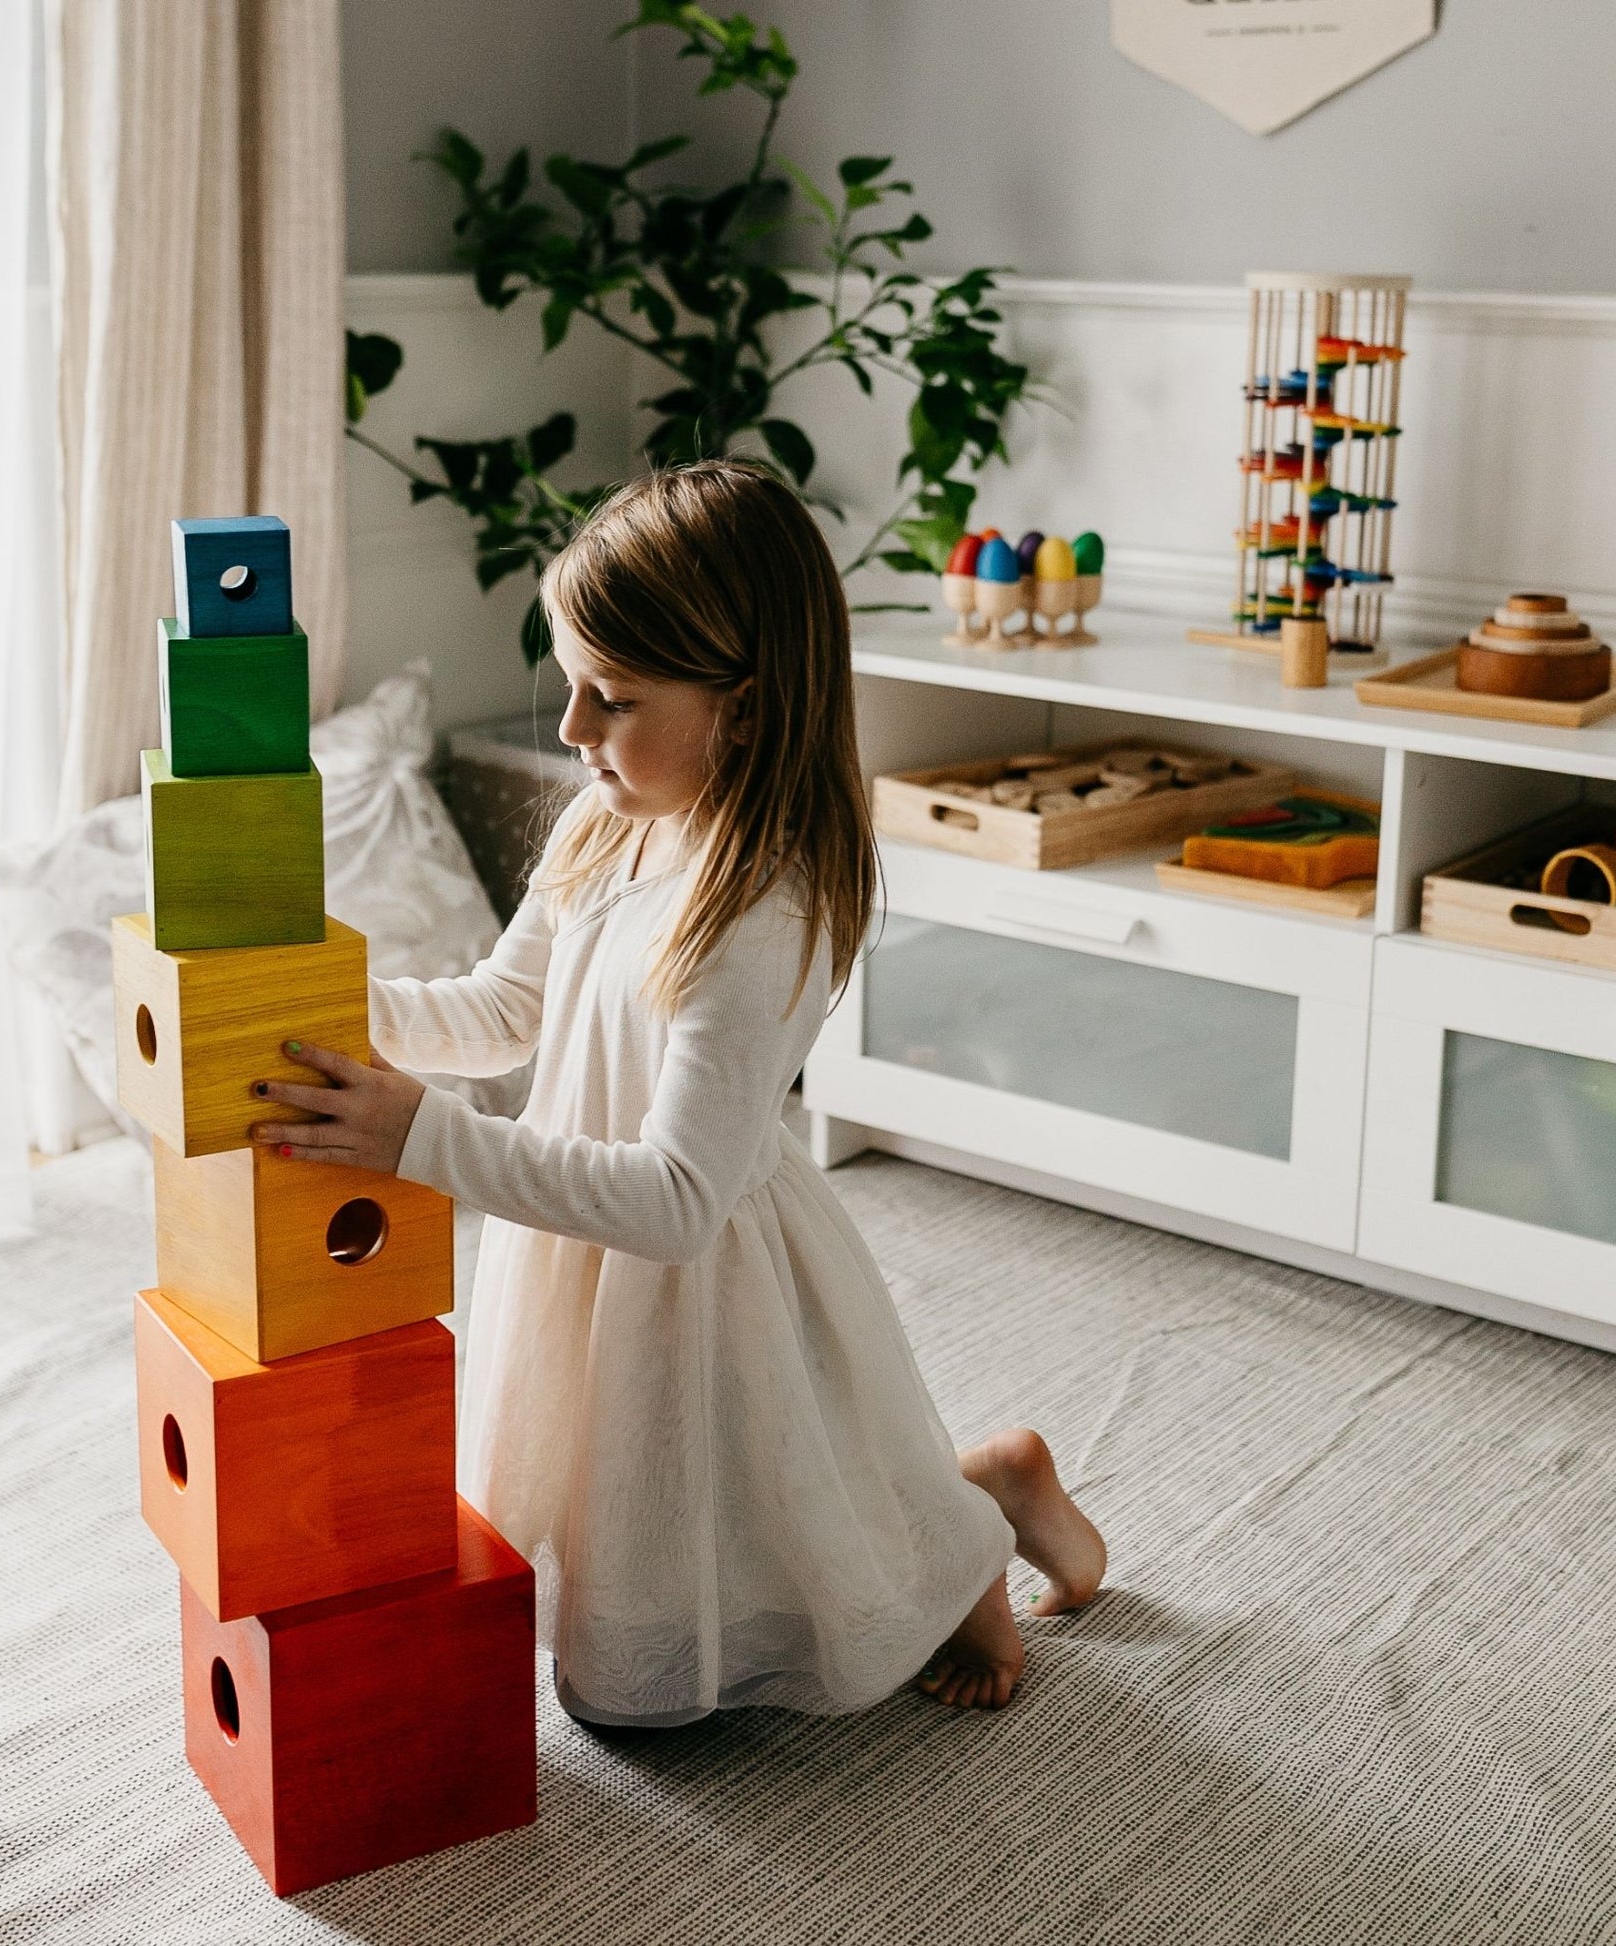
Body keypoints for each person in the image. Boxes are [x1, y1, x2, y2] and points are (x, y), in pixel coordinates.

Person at [249, 459, 1105, 1725]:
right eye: (573, 681)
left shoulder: (763, 903)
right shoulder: (610, 819)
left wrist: (420, 1138)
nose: (571, 730)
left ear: (744, 710)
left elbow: (674, 1200)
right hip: (582, 1246)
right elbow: (498, 1011)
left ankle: (973, 1529)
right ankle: (971, 1484)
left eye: (613, 695)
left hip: (694, 1260)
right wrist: (331, 998)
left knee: (641, 1684)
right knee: (720, 1523)